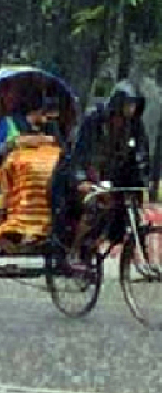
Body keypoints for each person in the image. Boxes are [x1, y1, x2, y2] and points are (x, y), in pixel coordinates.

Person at [50, 82, 150, 268]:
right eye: (128, 104)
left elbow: (139, 157)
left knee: (122, 210)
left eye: (134, 105)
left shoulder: (134, 126)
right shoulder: (93, 120)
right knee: (94, 206)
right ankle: (74, 250)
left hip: (110, 179)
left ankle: (100, 243)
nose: (131, 110)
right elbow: (76, 154)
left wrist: (142, 181)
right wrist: (81, 180)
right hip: (79, 176)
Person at [0, 96, 64, 162]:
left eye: (53, 119)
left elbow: (62, 152)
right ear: (37, 111)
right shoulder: (8, 122)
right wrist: (15, 143)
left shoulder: (50, 128)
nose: (49, 121)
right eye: (48, 117)